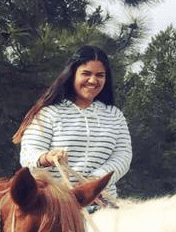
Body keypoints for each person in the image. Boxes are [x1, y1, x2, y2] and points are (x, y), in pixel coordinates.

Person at [14, 45, 131, 201]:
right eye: (86, 74)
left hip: (103, 203)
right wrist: (46, 157)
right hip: (56, 204)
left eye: (100, 75)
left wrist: (94, 181)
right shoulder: (49, 113)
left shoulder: (115, 115)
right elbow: (28, 155)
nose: (93, 80)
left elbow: (123, 156)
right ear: (72, 75)